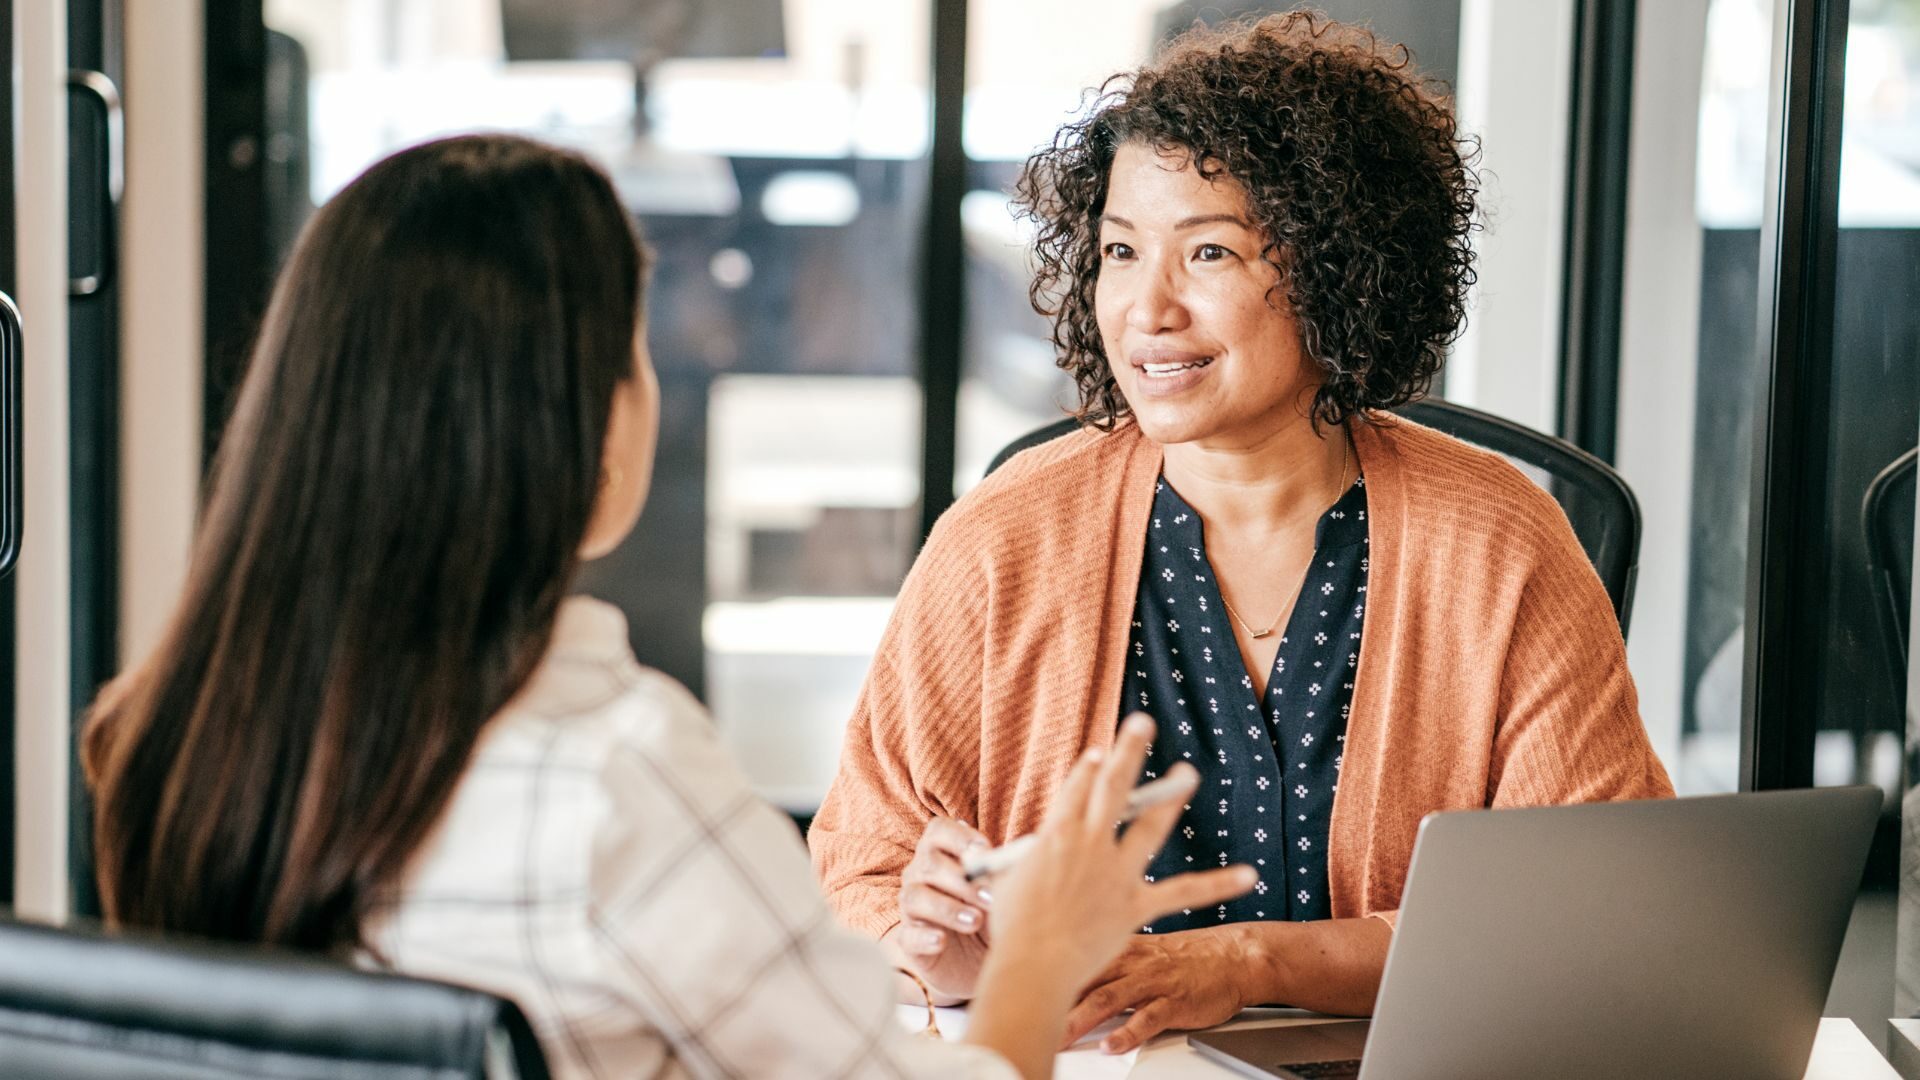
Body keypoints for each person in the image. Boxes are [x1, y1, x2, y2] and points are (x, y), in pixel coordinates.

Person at [81, 133, 1252, 1080]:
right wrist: (1040, 954)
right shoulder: (615, 777)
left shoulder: (169, 737)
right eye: (635, 352)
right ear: (577, 428)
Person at [809, 11, 1675, 1056]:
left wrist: (1250, 963)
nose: (1147, 308)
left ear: (1335, 266)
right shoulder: (1003, 537)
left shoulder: (1498, 539)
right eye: (1121, 251)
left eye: (1208, 250)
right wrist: (935, 943)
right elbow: (862, 869)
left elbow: (1584, 915)